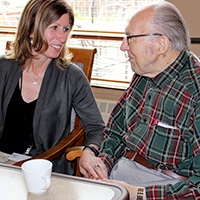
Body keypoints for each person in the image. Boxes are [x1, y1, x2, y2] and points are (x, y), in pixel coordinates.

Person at [79, 1, 200, 199]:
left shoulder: (194, 92)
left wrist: (138, 194)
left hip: (165, 188)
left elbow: (197, 188)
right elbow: (116, 130)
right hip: (121, 173)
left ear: (161, 44)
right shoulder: (144, 73)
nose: (122, 46)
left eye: (130, 38)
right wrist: (102, 163)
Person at [0, 0, 105, 174]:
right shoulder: (4, 67)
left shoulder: (72, 76)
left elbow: (96, 127)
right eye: (54, 28)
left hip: (43, 165)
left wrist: (89, 151)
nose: (63, 38)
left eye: (66, 29)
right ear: (31, 29)